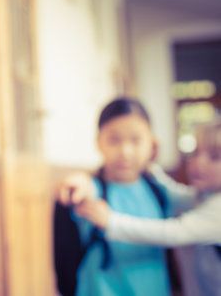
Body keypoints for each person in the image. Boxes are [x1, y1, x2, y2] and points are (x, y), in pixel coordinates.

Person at [64, 120, 221, 296]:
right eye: (195, 152)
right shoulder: (202, 196)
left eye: (215, 156)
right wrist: (148, 161)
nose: (198, 162)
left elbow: (174, 231)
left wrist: (111, 222)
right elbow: (174, 193)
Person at [53, 97, 173, 296]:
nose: (125, 152)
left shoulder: (160, 191)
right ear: (98, 142)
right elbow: (82, 188)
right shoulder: (89, 192)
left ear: (151, 143)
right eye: (114, 140)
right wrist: (78, 183)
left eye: (136, 140)